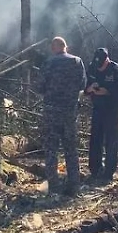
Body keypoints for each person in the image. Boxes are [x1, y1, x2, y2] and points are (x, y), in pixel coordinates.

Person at [39, 36, 86, 196]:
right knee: (71, 149)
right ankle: (74, 186)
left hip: (51, 112)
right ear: (66, 47)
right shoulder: (77, 62)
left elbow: (40, 86)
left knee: (51, 149)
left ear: (54, 48)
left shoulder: (49, 63)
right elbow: (83, 85)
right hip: (69, 112)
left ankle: (54, 187)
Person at [85, 46, 118, 184]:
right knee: (95, 139)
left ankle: (109, 172)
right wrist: (90, 89)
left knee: (111, 140)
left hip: (111, 109)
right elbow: (84, 86)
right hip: (97, 108)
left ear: (107, 60)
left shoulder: (115, 69)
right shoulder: (92, 67)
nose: (100, 68)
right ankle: (95, 169)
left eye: (101, 65)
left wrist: (107, 91)